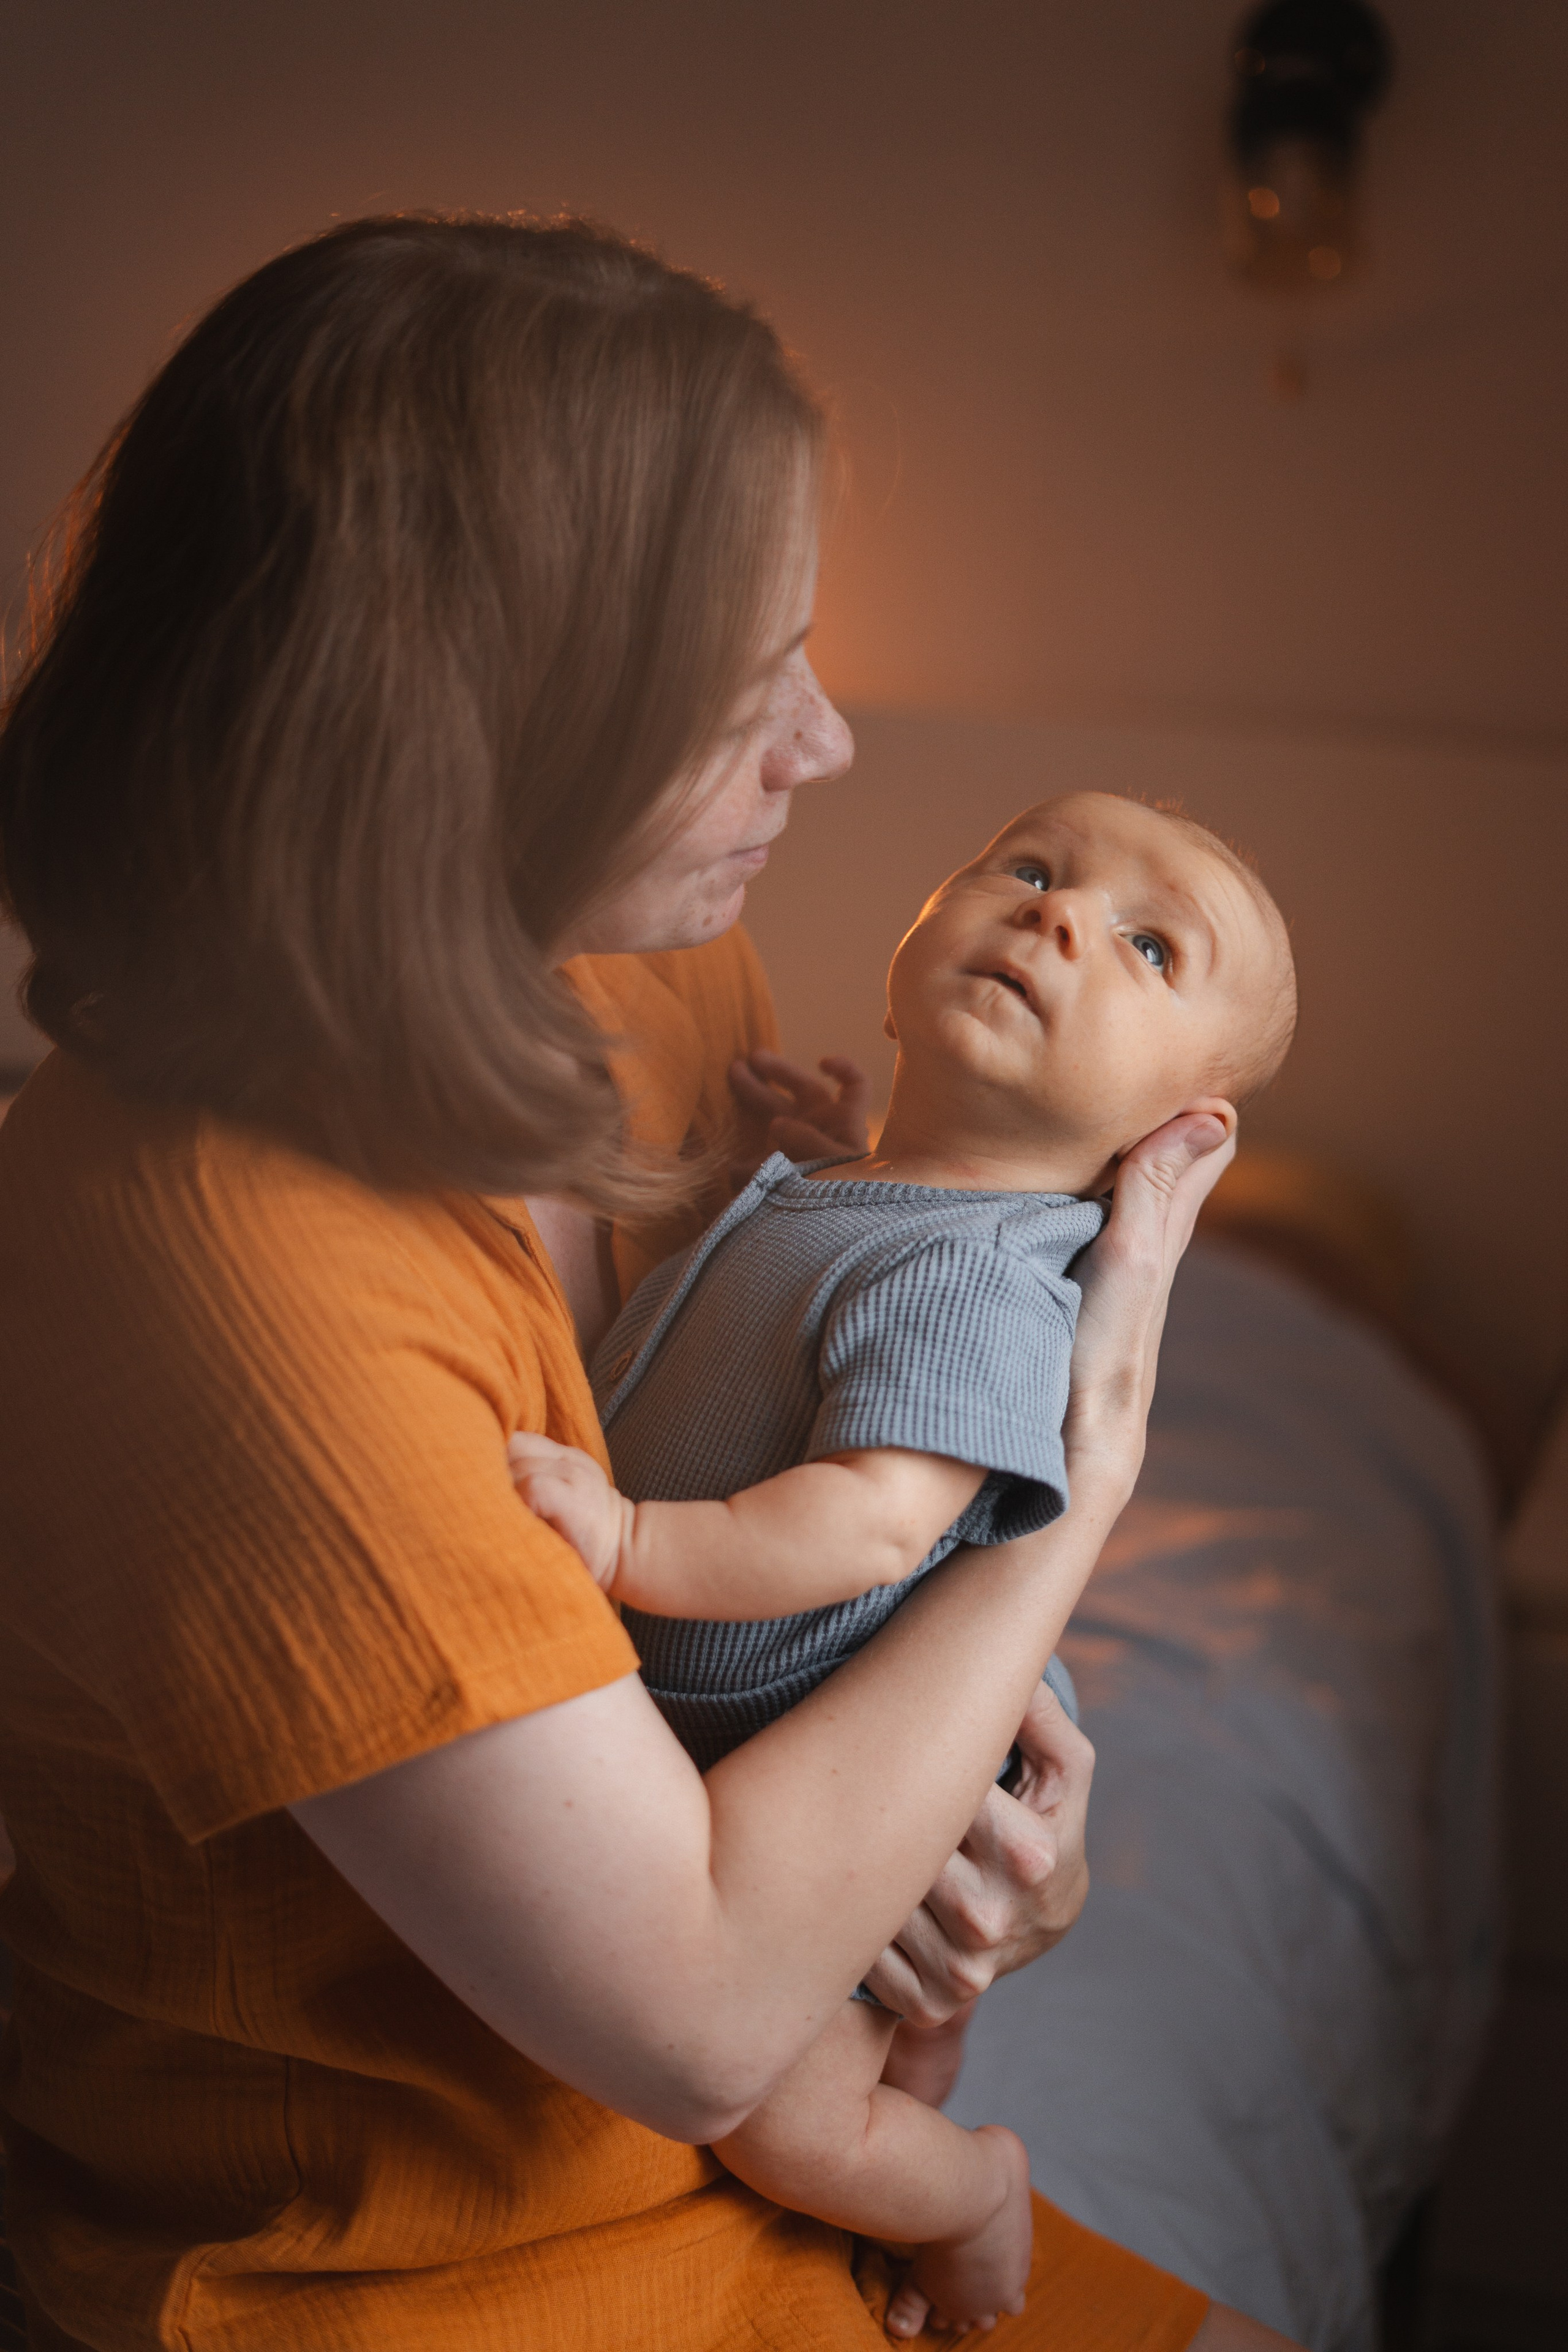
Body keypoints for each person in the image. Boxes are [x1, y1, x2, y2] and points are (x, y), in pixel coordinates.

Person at [0, 213, 1298, 2350]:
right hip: (432, 2270)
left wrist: (992, 1864)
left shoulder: (643, 966)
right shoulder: (229, 1272)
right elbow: (696, 2018)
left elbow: (793, 1480)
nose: (829, 747)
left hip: (754, 2161)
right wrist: (1078, 1489)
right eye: (740, 687)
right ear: (470, 729)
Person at [509, 792, 1295, 2333]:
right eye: (1027, 867)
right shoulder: (866, 1201)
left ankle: (973, 2188)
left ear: (1176, 1132)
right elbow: (760, 1317)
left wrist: (630, 1541)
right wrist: (802, 1149)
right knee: (888, 2051)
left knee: (791, 2131)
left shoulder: (979, 1284)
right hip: (764, 1735)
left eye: (1147, 947)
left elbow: (871, 1518)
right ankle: (918, 2094)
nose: (1055, 914)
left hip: (854, 1772)